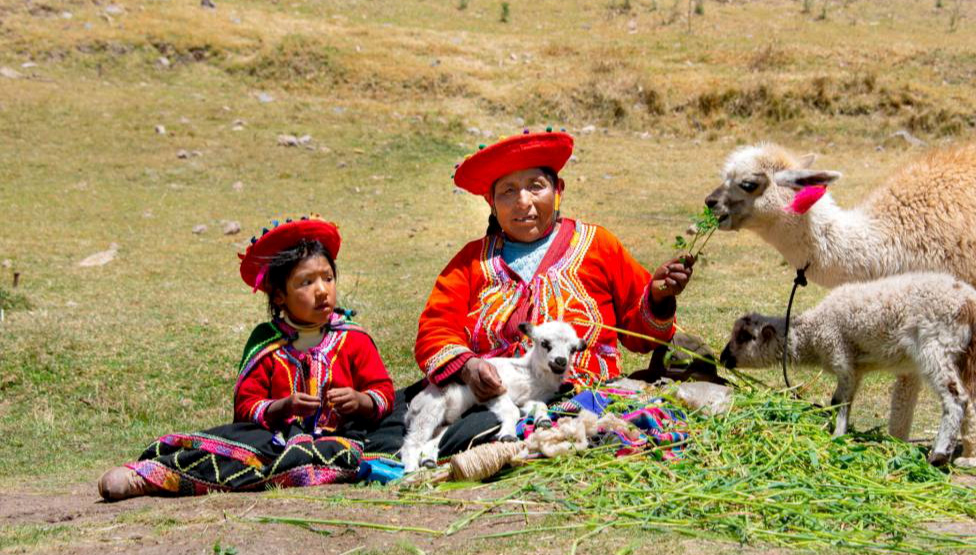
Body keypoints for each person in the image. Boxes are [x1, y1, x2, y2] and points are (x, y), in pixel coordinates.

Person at [413, 129, 693, 456]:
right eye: (507, 191)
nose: (523, 202)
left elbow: (641, 337)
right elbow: (435, 331)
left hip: (583, 396)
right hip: (497, 397)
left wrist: (658, 299)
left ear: (557, 190)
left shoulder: (598, 246)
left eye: (536, 186)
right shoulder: (470, 262)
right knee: (436, 424)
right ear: (492, 203)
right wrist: (469, 368)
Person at [97, 217, 403, 501]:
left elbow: (383, 393)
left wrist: (360, 401)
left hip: (342, 438)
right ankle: (148, 477)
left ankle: (287, 471)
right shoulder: (267, 342)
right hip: (273, 441)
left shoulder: (353, 339)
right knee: (239, 449)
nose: (322, 291)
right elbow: (246, 406)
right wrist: (284, 406)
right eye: (306, 283)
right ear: (279, 295)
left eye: (328, 278)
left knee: (385, 439)